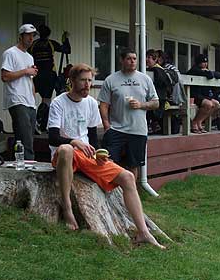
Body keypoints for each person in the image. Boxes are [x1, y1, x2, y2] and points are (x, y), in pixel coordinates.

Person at [47, 63, 164, 248]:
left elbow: (93, 138)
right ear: (72, 81)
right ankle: (67, 208)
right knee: (66, 149)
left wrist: (100, 154)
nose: (87, 85)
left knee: (127, 176)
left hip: (86, 155)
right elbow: (52, 136)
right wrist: (74, 141)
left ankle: (143, 232)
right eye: (83, 80)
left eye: (90, 81)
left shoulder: (91, 103)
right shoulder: (58, 102)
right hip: (65, 154)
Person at [98, 48, 159, 177]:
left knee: (133, 166)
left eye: (134, 59)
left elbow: (156, 102)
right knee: (109, 163)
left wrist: (141, 105)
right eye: (129, 58)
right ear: (121, 60)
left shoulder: (145, 79)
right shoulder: (111, 79)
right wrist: (106, 125)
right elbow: (103, 104)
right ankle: (113, 195)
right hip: (116, 129)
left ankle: (131, 195)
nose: (132, 61)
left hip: (138, 130)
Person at [1, 24, 39, 160]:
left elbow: (30, 80)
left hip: (30, 101)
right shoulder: (10, 53)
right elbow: (5, 76)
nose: (31, 38)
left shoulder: (29, 57)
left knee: (25, 136)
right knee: (25, 136)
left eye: (33, 35)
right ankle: (28, 164)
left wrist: (34, 100)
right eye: (28, 35)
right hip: (16, 99)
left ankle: (19, 162)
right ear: (21, 36)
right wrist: (25, 71)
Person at [28, 25, 67, 106]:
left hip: (36, 75)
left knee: (32, 95)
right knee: (46, 99)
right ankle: (44, 115)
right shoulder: (51, 43)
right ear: (49, 34)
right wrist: (66, 40)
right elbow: (67, 50)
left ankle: (37, 112)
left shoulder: (33, 44)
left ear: (39, 33)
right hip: (49, 75)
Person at [186, 54, 220, 133]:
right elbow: (209, 75)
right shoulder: (194, 70)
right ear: (198, 63)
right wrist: (208, 72)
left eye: (206, 62)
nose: (205, 64)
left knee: (216, 104)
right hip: (194, 96)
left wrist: (210, 72)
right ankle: (194, 122)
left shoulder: (205, 70)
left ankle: (200, 121)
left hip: (203, 95)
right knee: (208, 104)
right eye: (203, 62)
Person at [146, 49, 172, 134]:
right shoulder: (150, 70)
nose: (146, 59)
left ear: (155, 59)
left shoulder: (158, 70)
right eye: (146, 57)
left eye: (149, 57)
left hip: (159, 99)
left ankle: (151, 125)